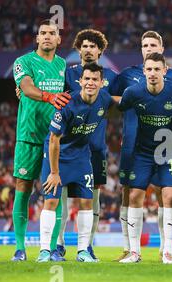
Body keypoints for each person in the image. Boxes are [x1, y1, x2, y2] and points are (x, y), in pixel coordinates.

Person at [113, 31, 172, 262]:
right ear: (143, 71)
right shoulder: (132, 91)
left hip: (170, 150)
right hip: (142, 151)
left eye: (157, 69)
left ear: (165, 70)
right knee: (134, 195)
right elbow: (113, 102)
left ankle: (168, 251)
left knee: (171, 197)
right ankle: (134, 251)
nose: (153, 73)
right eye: (149, 69)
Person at [37, 63, 114, 262]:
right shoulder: (66, 104)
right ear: (80, 81)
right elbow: (54, 139)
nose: (90, 83)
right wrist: (54, 172)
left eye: (94, 79)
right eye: (86, 79)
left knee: (87, 201)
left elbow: (122, 101)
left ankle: (82, 251)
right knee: (52, 200)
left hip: (81, 156)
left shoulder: (104, 99)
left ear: (101, 82)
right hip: (57, 155)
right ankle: (45, 251)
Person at [55, 29, 118, 261]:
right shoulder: (67, 75)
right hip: (68, 147)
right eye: (85, 45)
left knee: (93, 197)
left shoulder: (111, 75)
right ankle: (58, 244)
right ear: (78, 49)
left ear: (100, 50)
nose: (89, 49)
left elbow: (125, 98)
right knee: (59, 194)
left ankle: (87, 245)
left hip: (96, 147)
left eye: (93, 46)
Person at [11, 19, 70, 261]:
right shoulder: (23, 62)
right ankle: (20, 247)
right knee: (23, 188)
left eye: (52, 33)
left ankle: (53, 248)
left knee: (53, 193)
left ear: (59, 39)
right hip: (29, 136)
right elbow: (26, 87)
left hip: (53, 139)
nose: (47, 36)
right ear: (37, 38)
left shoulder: (62, 64)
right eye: (43, 33)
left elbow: (68, 96)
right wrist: (48, 96)